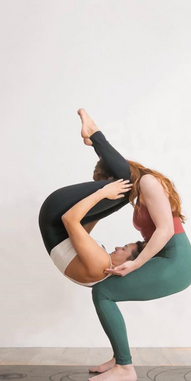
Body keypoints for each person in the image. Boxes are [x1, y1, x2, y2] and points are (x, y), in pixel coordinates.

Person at [74, 109, 191, 381]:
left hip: (176, 261)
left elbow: (165, 230)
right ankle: (120, 359)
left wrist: (136, 264)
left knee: (103, 292)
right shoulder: (139, 190)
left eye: (107, 183)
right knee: (104, 290)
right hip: (165, 258)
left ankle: (125, 367)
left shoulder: (148, 182)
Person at [38, 111, 147, 287]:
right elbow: (80, 233)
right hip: (56, 220)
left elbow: (70, 220)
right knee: (131, 191)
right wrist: (110, 202)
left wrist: (102, 194)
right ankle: (95, 142)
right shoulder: (100, 273)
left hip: (56, 213)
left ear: (127, 264)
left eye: (124, 250)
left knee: (131, 183)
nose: (118, 247)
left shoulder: (101, 265)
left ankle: (94, 134)